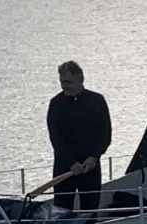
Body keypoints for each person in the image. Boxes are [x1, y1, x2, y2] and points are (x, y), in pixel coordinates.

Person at [46, 60, 111, 213]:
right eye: (62, 82)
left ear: (80, 78)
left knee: (90, 211)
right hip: (64, 167)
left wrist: (94, 156)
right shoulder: (56, 104)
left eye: (68, 81)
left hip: (91, 167)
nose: (64, 86)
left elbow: (105, 133)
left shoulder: (97, 100)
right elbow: (55, 138)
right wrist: (71, 163)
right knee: (62, 211)